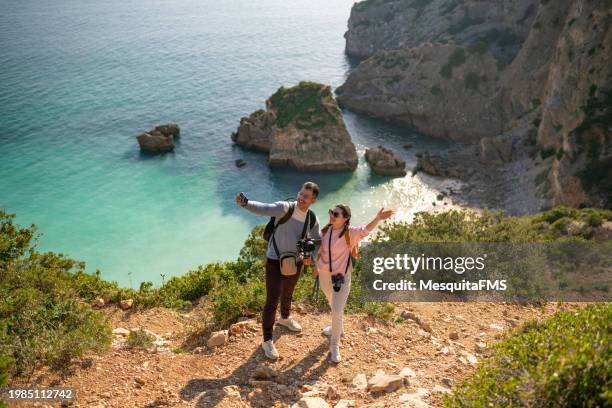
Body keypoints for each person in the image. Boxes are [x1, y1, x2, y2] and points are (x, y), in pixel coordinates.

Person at [235, 182, 321, 360]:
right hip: (275, 260)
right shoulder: (284, 208)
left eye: (306, 196)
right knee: (272, 300)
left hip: (295, 262)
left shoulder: (312, 219)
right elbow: (264, 208)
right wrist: (245, 202)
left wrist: (309, 255)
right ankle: (267, 340)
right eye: (300, 193)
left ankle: (285, 318)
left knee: (288, 293)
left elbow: (317, 240)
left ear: (313, 200)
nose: (301, 198)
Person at [314, 205, 394, 363]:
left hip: (341, 277)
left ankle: (334, 345)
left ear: (345, 219)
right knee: (332, 304)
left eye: (335, 214)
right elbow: (320, 251)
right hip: (324, 275)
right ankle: (338, 328)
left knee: (337, 309)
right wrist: (316, 268)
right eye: (331, 212)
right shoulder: (324, 231)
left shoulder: (350, 233)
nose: (332, 215)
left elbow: (366, 230)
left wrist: (378, 218)